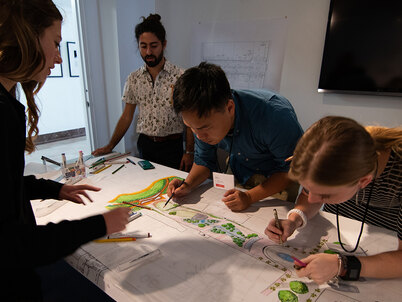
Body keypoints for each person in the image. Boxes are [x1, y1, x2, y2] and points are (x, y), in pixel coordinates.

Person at [0, 0, 130, 300]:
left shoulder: (8, 102)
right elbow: (11, 244)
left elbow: (8, 186)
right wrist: (100, 224)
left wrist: (53, 189)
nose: (58, 58)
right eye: (56, 43)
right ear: (27, 35)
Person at [265, 116, 402, 284]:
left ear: (364, 181)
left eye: (325, 195)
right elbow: (310, 198)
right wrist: (295, 218)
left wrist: (343, 265)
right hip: (344, 239)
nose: (312, 198)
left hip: (388, 251)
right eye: (308, 188)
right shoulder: (329, 154)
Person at [167, 62, 303, 211]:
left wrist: (250, 197)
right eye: (190, 127)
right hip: (240, 169)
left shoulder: (275, 116)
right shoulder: (202, 121)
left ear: (230, 108)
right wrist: (187, 185)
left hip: (278, 178)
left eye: (204, 128)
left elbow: (290, 170)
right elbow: (204, 161)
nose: (199, 136)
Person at [92, 14, 194, 171]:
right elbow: (126, 116)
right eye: (143, 46)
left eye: (153, 46)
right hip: (146, 146)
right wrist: (110, 145)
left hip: (172, 147)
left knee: (172, 189)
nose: (148, 52)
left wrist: (189, 151)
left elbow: (189, 120)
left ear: (164, 44)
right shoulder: (133, 78)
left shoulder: (180, 76)